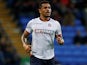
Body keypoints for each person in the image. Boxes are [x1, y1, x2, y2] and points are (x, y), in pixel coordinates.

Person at [21, 1, 64, 65]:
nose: (48, 9)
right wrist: (24, 45)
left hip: (50, 58)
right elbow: (24, 36)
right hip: (36, 58)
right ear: (40, 10)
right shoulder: (32, 22)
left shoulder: (56, 24)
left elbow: (61, 40)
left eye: (49, 8)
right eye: (45, 8)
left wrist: (61, 41)